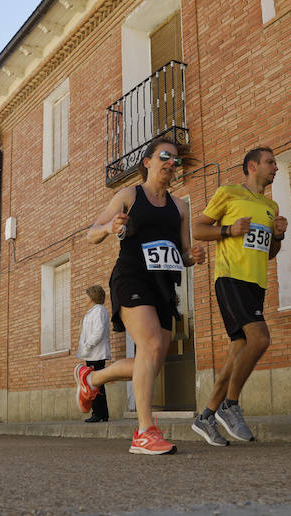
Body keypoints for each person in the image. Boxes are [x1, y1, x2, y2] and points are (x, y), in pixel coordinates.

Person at [75, 138, 205, 455]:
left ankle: (92, 380)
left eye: (175, 158)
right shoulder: (129, 195)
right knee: (151, 345)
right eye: (164, 156)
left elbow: (183, 252)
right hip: (131, 277)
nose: (171, 162)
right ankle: (145, 432)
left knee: (151, 360)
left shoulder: (180, 207)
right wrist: (108, 228)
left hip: (164, 286)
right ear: (147, 162)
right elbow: (91, 233)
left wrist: (193, 255)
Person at [190, 147, 288, 445]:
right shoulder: (229, 192)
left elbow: (269, 253)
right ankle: (230, 405)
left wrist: (279, 235)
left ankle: (206, 416)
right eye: (270, 163)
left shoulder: (271, 205)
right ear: (252, 166)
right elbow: (198, 228)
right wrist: (230, 229)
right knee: (259, 339)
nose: (275, 168)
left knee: (239, 348)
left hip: (256, 283)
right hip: (231, 277)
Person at [76, 285, 111, 423]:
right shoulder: (92, 311)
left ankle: (99, 414)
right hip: (91, 354)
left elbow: (98, 332)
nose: (85, 298)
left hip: (96, 353)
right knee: (96, 384)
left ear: (92, 297)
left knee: (94, 384)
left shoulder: (99, 311)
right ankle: (102, 414)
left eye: (86, 295)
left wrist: (87, 345)